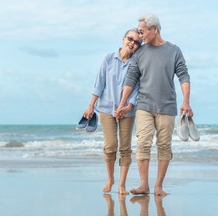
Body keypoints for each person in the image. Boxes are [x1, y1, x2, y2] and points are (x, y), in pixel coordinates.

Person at [115, 13, 193, 196]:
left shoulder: (174, 51)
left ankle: (158, 186)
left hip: (167, 107)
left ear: (154, 29)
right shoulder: (140, 53)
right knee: (143, 143)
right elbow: (131, 78)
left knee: (164, 146)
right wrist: (122, 102)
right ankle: (144, 185)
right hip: (144, 105)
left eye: (142, 32)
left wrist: (186, 101)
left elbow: (184, 76)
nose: (140, 36)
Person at [83, 28, 141, 195]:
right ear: (123, 38)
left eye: (137, 42)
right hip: (106, 109)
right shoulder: (108, 58)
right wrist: (90, 105)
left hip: (127, 111)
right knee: (110, 146)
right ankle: (110, 178)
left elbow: (137, 88)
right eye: (130, 38)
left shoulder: (136, 63)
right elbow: (99, 83)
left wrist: (129, 105)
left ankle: (122, 184)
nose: (132, 43)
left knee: (125, 148)